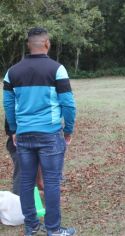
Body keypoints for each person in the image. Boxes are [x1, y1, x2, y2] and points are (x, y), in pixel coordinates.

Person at [3, 27, 76, 235]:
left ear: (28, 45)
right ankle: (53, 229)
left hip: (24, 134)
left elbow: (8, 106)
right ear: (47, 44)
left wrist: (14, 130)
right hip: (50, 134)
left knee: (27, 182)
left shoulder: (12, 72)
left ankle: (32, 226)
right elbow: (68, 104)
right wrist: (68, 130)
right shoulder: (57, 69)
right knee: (52, 182)